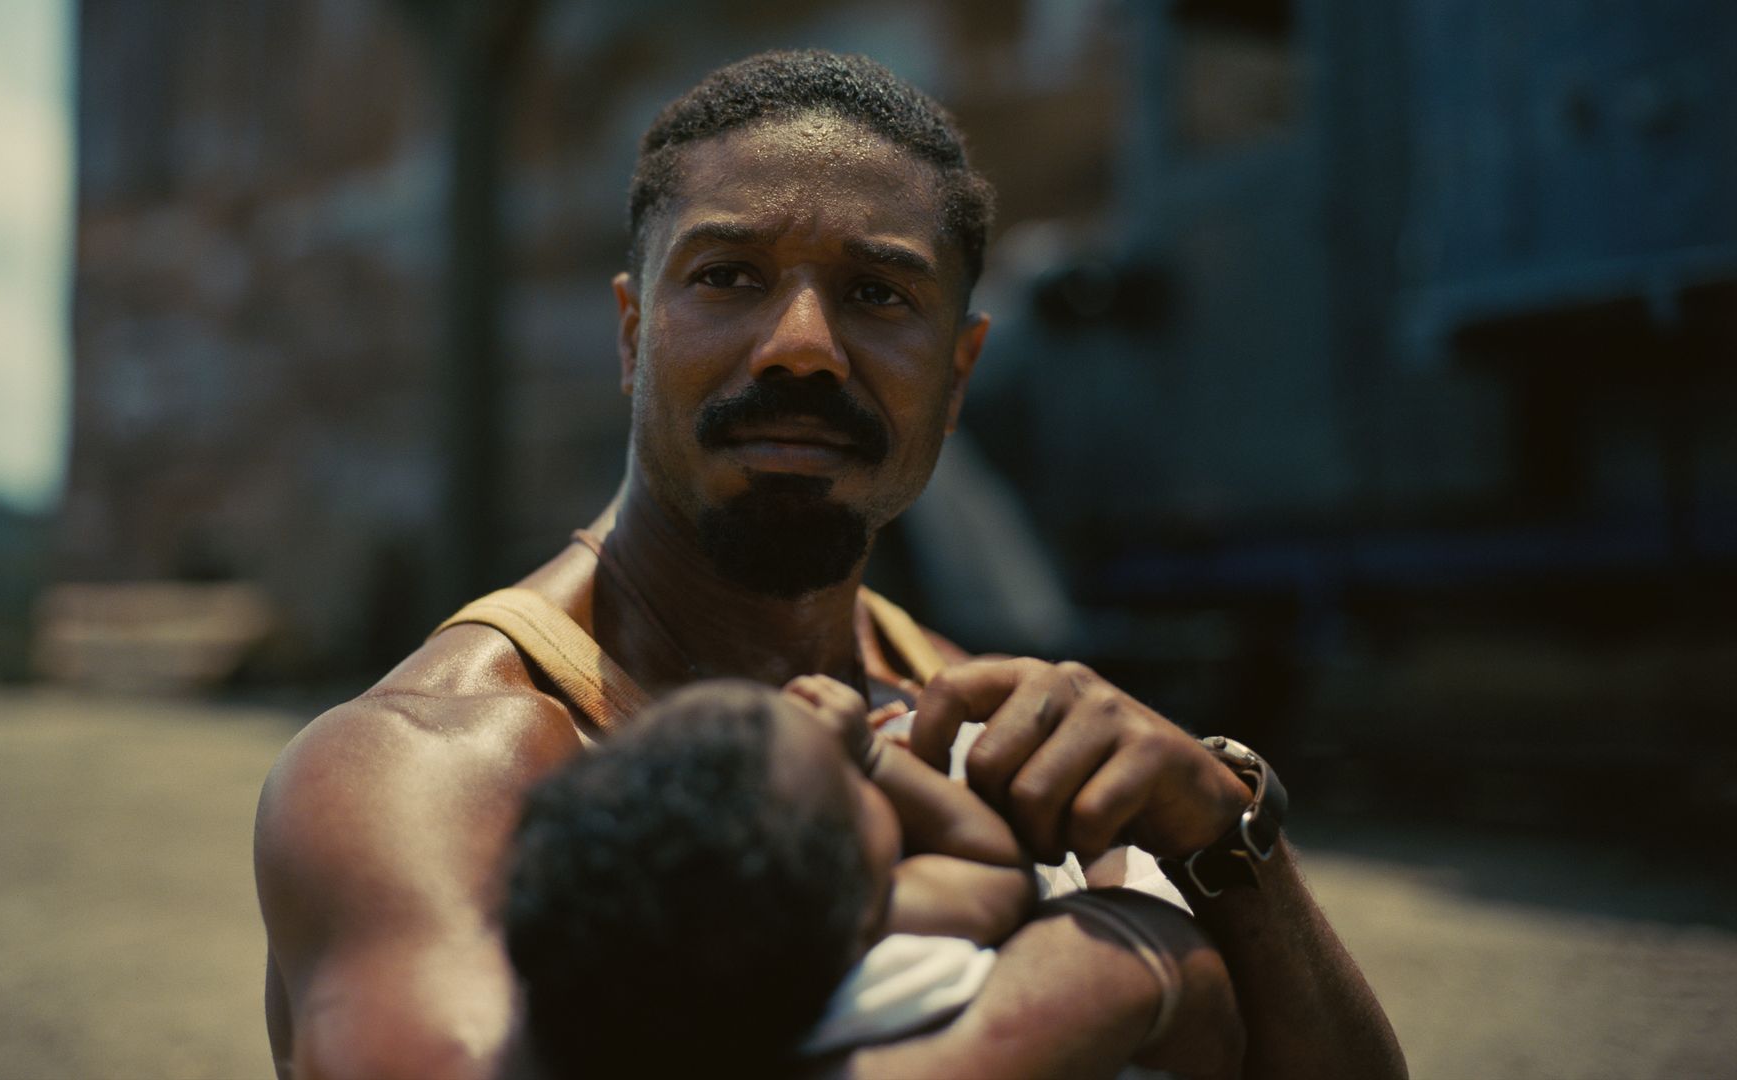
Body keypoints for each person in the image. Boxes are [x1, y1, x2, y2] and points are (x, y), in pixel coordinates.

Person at [254, 49, 1406, 1079]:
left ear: (957, 379)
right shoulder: (430, 765)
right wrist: (1113, 984)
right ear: (630, 335)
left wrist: (1226, 835)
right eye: (728, 277)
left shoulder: (984, 726)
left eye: (876, 293)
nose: (801, 347)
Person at [504, 675, 1034, 1078]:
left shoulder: (622, 986)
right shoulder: (876, 965)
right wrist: (872, 757)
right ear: (864, 911)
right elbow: (995, 867)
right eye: (847, 780)